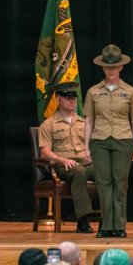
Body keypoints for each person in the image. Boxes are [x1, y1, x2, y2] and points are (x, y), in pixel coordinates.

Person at [85, 44, 133, 238]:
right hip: (100, 140)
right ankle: (106, 226)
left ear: (120, 67)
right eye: (107, 67)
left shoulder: (131, 92)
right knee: (103, 183)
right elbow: (89, 120)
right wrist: (86, 146)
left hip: (123, 139)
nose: (111, 70)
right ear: (103, 68)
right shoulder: (93, 91)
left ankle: (119, 226)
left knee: (120, 183)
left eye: (114, 66)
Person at [38, 81, 96, 233]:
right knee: (78, 171)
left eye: (74, 97)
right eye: (67, 97)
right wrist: (62, 160)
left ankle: (107, 219)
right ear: (57, 99)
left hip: (85, 162)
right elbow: (44, 152)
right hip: (63, 165)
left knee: (105, 170)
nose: (72, 100)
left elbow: (92, 146)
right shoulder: (49, 124)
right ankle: (84, 221)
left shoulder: (83, 122)